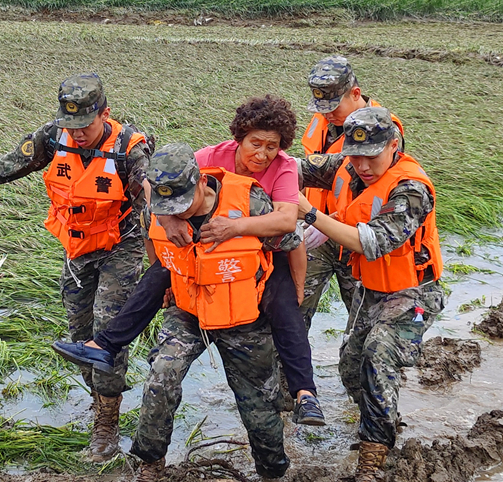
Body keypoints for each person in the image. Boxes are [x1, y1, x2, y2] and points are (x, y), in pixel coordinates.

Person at [52, 95, 325, 427]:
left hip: (263, 249)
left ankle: (305, 395)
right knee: (157, 275)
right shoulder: (211, 156)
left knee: (286, 310)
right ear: (240, 137)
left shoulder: (283, 167)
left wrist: (236, 229)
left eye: (273, 146)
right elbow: (158, 182)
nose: (263, 154)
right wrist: (169, 220)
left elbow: (286, 224)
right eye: (256, 143)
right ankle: (104, 345)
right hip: (202, 246)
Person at [0, 73, 148, 463]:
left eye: (85, 125)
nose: (78, 134)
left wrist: (164, 267)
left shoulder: (129, 148)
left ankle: (106, 424)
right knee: (78, 332)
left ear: (104, 113)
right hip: (77, 247)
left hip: (121, 245)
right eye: (70, 125)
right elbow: (12, 163)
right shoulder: (54, 136)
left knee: (107, 332)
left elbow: (153, 202)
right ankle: (98, 398)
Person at [124, 144, 296, 482]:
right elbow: (151, 243)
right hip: (188, 310)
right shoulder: (159, 206)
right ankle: (150, 464)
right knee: (161, 374)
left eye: (184, 203)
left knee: (260, 404)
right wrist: (167, 280)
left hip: (243, 317)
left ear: (202, 181)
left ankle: (273, 474)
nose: (179, 212)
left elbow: (289, 243)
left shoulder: (249, 199)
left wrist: (293, 298)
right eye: (170, 207)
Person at [296, 106, 445, 482]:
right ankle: (381, 419)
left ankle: (372, 465)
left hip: (413, 294)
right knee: (351, 367)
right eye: (354, 155)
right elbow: (294, 166)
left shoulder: (412, 189)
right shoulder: (344, 164)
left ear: (393, 146)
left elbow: (373, 242)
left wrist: (312, 214)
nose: (360, 165)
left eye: (371, 156)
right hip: (370, 290)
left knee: (379, 353)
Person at [299, 55, 404, 327]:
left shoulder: (382, 132)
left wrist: (327, 221)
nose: (327, 114)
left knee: (363, 322)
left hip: (355, 236)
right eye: (322, 106)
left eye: (334, 106)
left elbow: (375, 190)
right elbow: (311, 168)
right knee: (293, 314)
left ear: (355, 93)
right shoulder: (322, 121)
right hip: (313, 235)